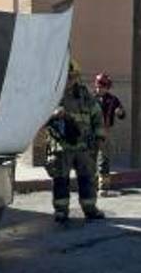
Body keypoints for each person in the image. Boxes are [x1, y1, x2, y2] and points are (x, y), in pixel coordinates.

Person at [45, 59, 106, 223]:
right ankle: (61, 210)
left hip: (83, 147)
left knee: (87, 178)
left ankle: (90, 208)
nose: (69, 80)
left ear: (77, 77)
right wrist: (54, 114)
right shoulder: (52, 93)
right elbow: (40, 116)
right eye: (67, 76)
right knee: (60, 179)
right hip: (61, 147)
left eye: (72, 76)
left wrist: (99, 137)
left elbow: (97, 116)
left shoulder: (85, 95)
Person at [92, 72, 126, 196]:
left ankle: (103, 187)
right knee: (90, 158)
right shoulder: (91, 98)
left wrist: (120, 112)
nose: (98, 88)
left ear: (107, 87)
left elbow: (123, 115)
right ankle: (90, 185)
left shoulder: (113, 100)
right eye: (97, 86)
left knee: (103, 159)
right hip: (91, 131)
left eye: (101, 86)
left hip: (105, 131)